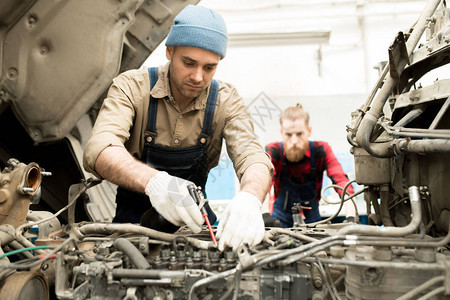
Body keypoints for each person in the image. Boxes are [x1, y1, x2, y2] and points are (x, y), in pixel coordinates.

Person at [82, 5, 273, 251]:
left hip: (197, 226)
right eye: (189, 63)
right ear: (169, 51)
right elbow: (99, 149)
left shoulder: (226, 100)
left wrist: (250, 198)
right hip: (132, 230)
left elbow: (253, 156)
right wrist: (155, 183)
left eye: (209, 67)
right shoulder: (131, 87)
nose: (198, 77)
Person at [265, 104, 355, 227]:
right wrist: (264, 215)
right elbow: (263, 183)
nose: (294, 141)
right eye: (289, 135)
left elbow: (341, 182)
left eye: (299, 134)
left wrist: (351, 217)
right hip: (279, 221)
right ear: (282, 133)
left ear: (309, 131)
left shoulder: (321, 150)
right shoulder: (274, 151)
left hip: (312, 221)